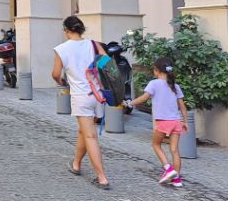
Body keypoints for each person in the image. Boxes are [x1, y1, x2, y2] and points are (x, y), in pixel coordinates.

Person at [51, 15, 110, 190]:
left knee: (90, 135)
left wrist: (62, 81)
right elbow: (107, 62)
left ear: (66, 31)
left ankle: (102, 177)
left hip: (81, 96)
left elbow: (55, 74)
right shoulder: (93, 44)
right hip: (97, 94)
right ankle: (76, 164)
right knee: (83, 131)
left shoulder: (62, 49)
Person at [125, 57, 188, 188]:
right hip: (176, 122)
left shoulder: (154, 84)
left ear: (156, 70)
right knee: (174, 150)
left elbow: (143, 98)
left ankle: (168, 169)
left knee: (156, 144)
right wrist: (185, 122)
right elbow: (182, 106)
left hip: (163, 122)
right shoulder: (175, 86)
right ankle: (177, 179)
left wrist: (129, 103)